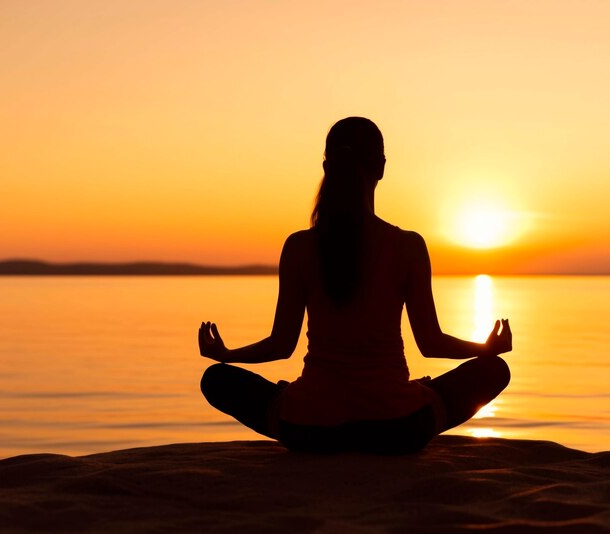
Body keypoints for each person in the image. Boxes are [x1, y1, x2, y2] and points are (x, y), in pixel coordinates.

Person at [198, 117, 512, 454]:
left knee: (216, 379)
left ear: (326, 166)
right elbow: (431, 343)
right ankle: (401, 396)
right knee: (494, 370)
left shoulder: (299, 246)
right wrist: (485, 349)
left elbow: (281, 345)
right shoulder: (408, 246)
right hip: (397, 428)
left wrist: (227, 355)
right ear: (381, 167)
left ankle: (300, 399)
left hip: (309, 430)